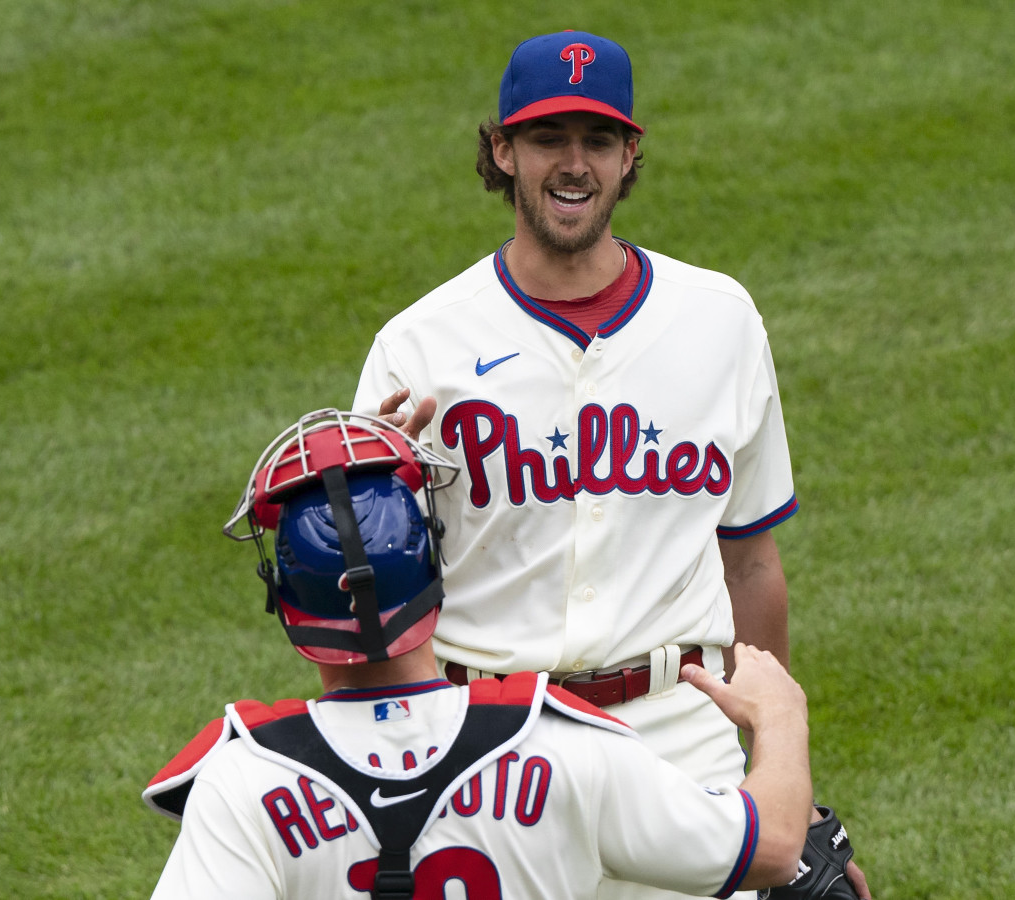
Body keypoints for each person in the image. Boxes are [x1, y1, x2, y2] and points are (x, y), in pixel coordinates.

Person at [352, 30, 870, 900]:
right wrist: (370, 491)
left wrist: (784, 784)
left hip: (681, 735)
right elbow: (367, 594)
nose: (574, 164)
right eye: (549, 137)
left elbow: (749, 559)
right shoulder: (418, 348)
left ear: (631, 156)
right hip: (487, 751)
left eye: (597, 140)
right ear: (502, 150)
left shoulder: (720, 320)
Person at [143, 410, 814, 899]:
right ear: (436, 566)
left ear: (289, 607)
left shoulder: (246, 780)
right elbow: (774, 847)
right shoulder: (560, 743)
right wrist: (780, 716)